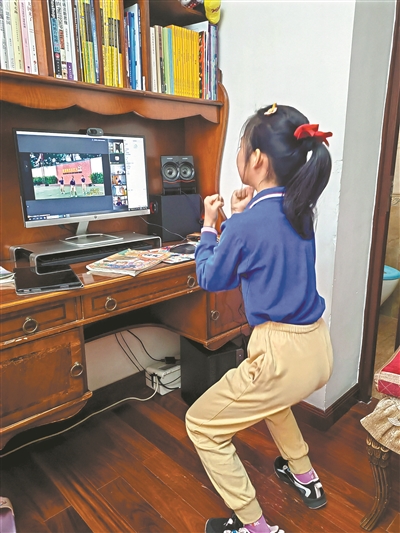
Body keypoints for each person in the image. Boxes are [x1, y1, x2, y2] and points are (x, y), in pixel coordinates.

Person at [185, 103, 334, 533]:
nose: (238, 154)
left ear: (257, 159)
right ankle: (304, 474)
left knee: (202, 425)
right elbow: (261, 251)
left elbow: (212, 276)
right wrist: (236, 220)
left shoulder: (246, 225)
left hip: (278, 353)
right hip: (316, 347)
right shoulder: (300, 209)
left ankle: (255, 526)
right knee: (274, 401)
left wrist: (211, 225)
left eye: (240, 146)